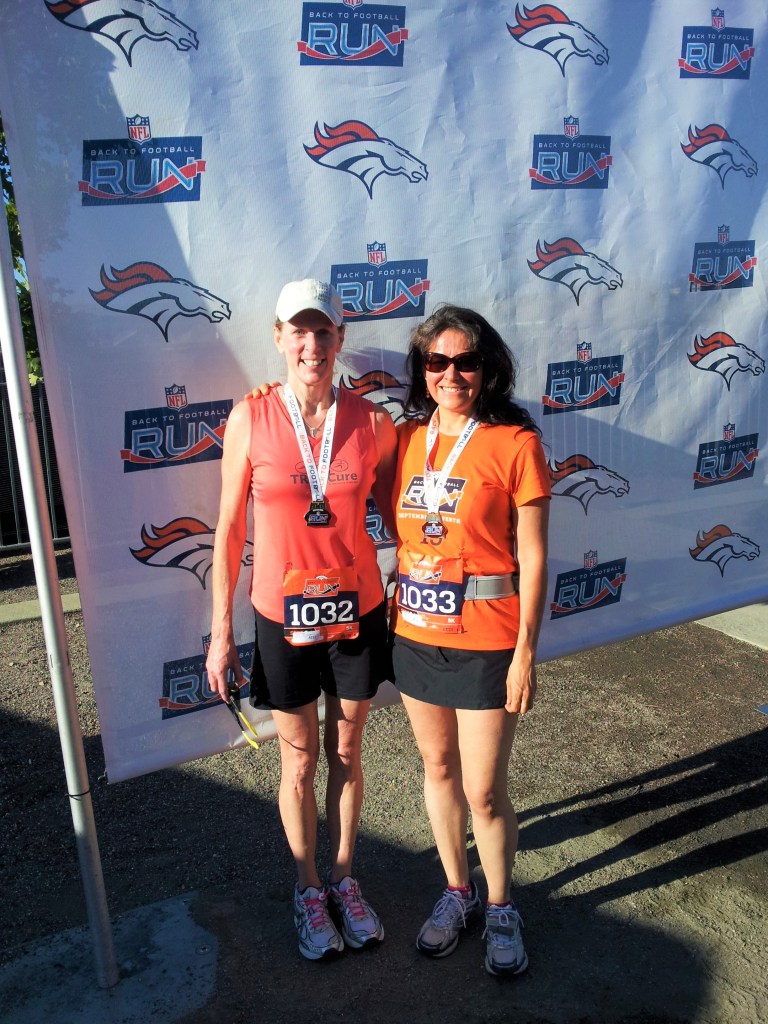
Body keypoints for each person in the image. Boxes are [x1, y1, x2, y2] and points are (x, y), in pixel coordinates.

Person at [206, 279, 397, 961]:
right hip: (280, 617)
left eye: (324, 332)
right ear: (280, 337)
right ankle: (309, 888)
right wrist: (222, 632)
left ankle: (346, 878)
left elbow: (410, 505)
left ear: (340, 340)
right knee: (298, 758)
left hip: (356, 613)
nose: (312, 345)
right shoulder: (250, 418)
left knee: (347, 753)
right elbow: (228, 530)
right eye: (299, 331)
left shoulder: (373, 422)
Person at [390, 304, 550, 977]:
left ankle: (502, 904)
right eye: (438, 362)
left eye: (466, 361)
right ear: (422, 371)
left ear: (487, 370)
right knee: (438, 772)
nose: (452, 374)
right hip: (415, 635)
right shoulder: (401, 440)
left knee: (484, 791)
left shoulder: (515, 443)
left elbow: (537, 558)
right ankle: (457, 893)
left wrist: (525, 656)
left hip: (488, 639)